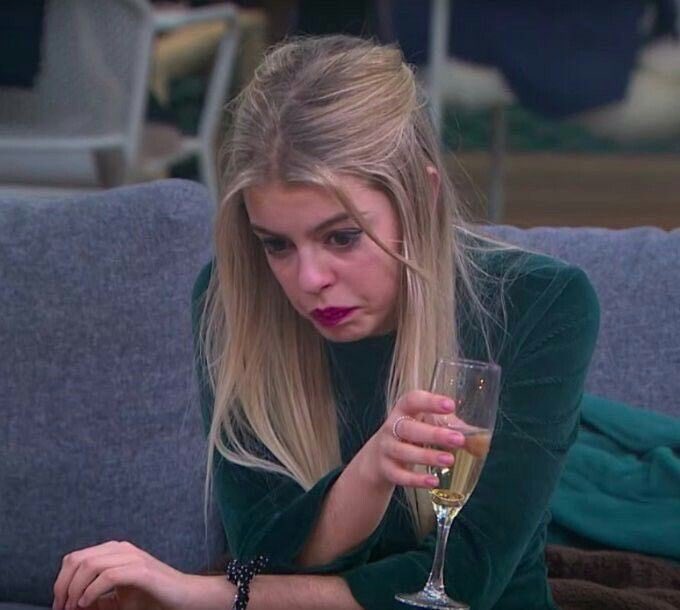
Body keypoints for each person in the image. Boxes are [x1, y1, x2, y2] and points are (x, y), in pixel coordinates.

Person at [51, 35, 600, 610]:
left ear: (423, 196)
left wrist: (197, 594)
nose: (309, 279)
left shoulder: (542, 303)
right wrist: (367, 478)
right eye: (277, 244)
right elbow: (261, 558)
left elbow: (466, 580)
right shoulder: (236, 298)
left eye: (341, 237)